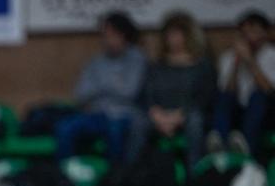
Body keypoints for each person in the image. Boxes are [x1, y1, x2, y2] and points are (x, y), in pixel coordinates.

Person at [56, 12, 147, 163]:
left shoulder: (137, 59)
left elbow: (130, 91)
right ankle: (67, 177)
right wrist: (113, 84)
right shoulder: (96, 62)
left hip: (125, 115)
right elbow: (80, 94)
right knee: (65, 127)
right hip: (96, 114)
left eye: (111, 34)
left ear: (123, 35)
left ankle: (113, 180)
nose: (106, 39)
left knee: (114, 129)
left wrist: (100, 86)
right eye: (104, 35)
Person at [141, 11, 215, 167]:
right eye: (169, 35)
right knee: (137, 122)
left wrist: (178, 116)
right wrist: (157, 114)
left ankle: (195, 173)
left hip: (188, 113)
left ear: (189, 36)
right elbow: (147, 94)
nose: (172, 39)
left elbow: (205, 98)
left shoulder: (202, 65)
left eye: (176, 34)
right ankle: (132, 176)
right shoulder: (157, 66)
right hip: (160, 114)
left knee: (195, 121)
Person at [210, 11, 275, 156]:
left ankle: (247, 148)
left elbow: (269, 91)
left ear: (265, 34)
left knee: (258, 97)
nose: (250, 37)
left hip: (267, 111)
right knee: (223, 97)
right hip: (238, 110)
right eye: (245, 33)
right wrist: (236, 63)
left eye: (255, 32)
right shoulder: (228, 56)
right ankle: (219, 143)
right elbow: (227, 91)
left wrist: (250, 61)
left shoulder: (272, 55)